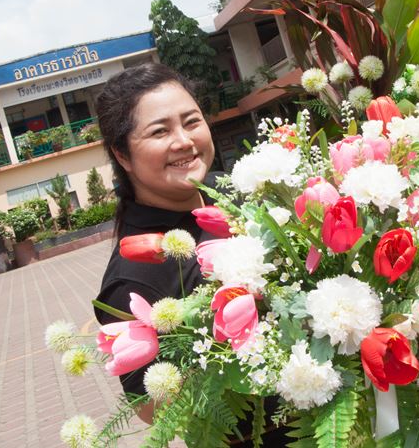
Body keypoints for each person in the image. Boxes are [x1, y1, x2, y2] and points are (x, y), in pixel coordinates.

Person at [94, 63, 287, 445]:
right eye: (160, 131)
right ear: (123, 155)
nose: (183, 141)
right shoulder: (133, 276)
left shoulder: (238, 191)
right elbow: (151, 408)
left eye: (191, 122)